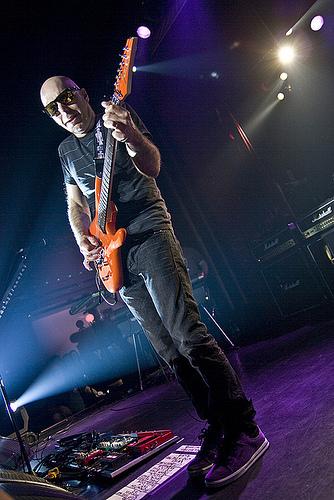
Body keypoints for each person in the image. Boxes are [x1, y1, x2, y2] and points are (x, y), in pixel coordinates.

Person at [40, 75, 269, 488]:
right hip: (114, 254)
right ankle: (216, 425)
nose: (63, 112)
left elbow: (153, 165)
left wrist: (128, 134)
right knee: (168, 349)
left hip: (150, 233)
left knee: (189, 336)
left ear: (84, 94)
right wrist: (83, 239)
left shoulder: (117, 117)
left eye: (67, 99)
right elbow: (75, 201)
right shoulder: (65, 150)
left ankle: (245, 428)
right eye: (52, 110)